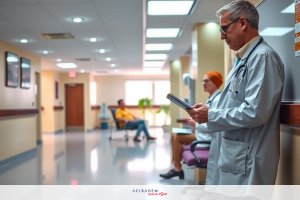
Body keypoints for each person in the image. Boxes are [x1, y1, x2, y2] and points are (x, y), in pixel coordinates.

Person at [186, 0, 285, 187]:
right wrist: (209, 111)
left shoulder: (262, 57)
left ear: (242, 23)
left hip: (247, 160)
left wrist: (211, 115)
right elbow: (234, 103)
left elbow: (255, 112)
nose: (222, 37)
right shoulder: (242, 61)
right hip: (235, 157)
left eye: (224, 29)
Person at [159, 71, 223, 179]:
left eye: (206, 80)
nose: (203, 83)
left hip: (208, 139)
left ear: (216, 83)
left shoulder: (218, 100)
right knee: (175, 135)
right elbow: (208, 120)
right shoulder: (211, 99)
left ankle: (177, 169)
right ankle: (177, 168)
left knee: (177, 137)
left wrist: (196, 124)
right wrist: (195, 122)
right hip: (202, 135)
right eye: (203, 80)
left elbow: (215, 124)